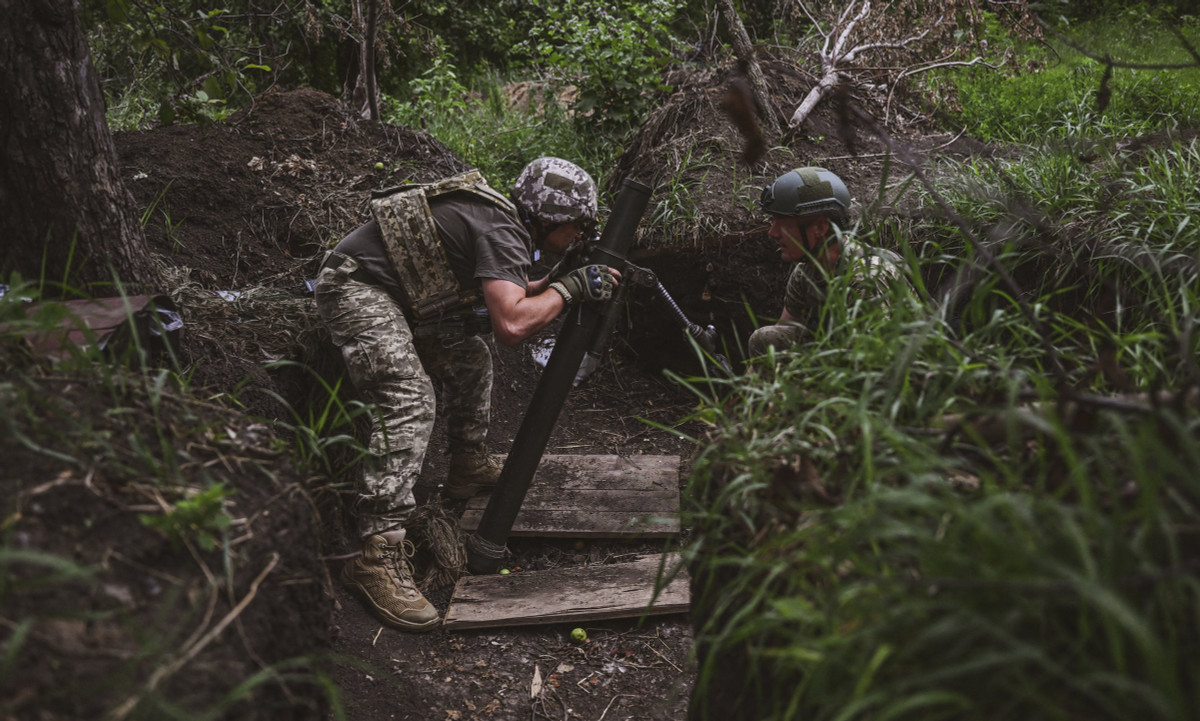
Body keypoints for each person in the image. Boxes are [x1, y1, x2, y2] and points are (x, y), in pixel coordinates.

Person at [315, 157, 619, 631]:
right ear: (548, 221)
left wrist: (557, 286)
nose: (578, 238)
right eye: (578, 228)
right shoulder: (504, 231)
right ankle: (375, 550)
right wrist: (568, 288)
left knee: (469, 353)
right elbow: (513, 324)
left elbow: (512, 290)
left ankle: (466, 465)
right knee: (408, 396)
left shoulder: (502, 223)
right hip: (358, 286)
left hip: (394, 291)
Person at [748, 166, 902, 357]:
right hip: (839, 349)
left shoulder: (865, 277)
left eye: (782, 223)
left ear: (820, 227)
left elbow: (878, 363)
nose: (772, 233)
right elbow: (782, 331)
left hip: (897, 366)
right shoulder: (806, 272)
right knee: (764, 339)